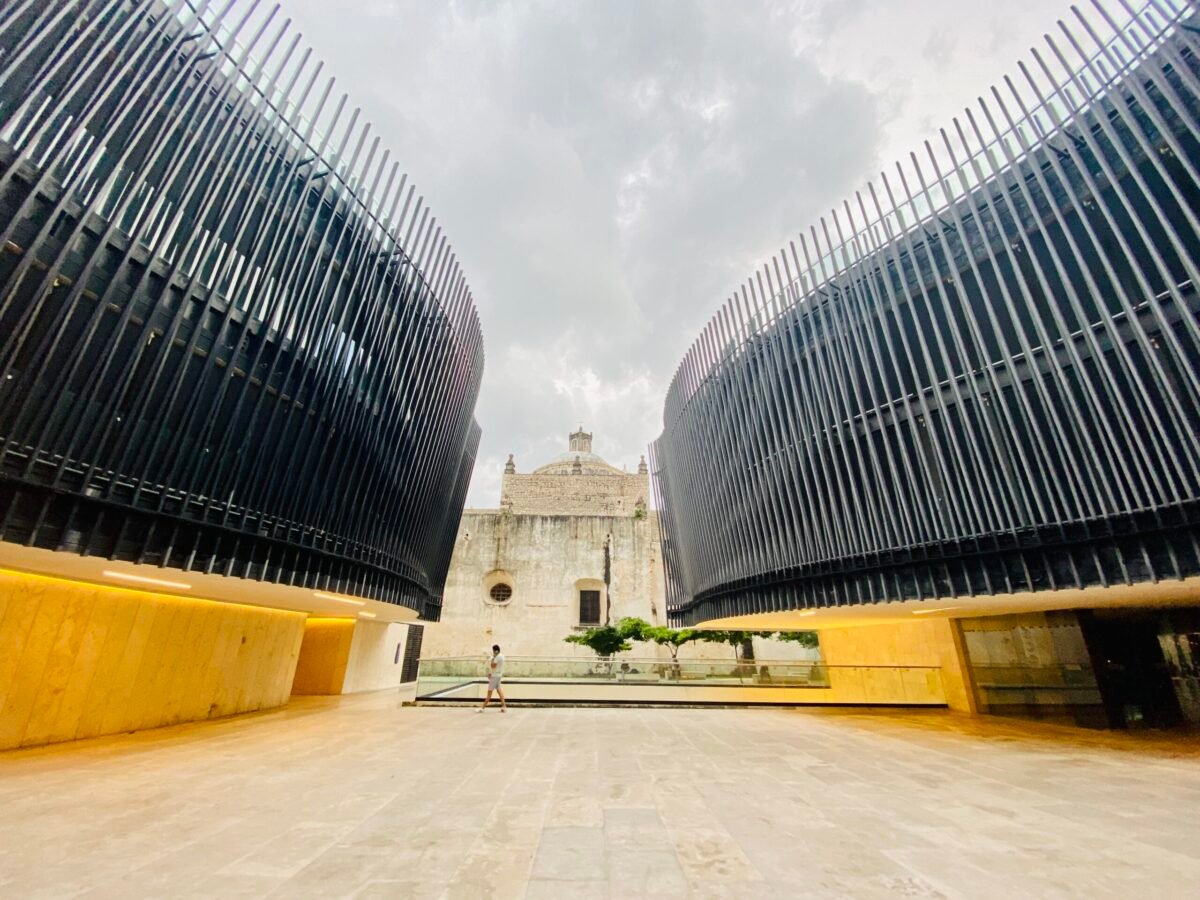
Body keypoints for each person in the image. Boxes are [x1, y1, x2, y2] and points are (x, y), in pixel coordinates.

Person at [477, 644, 506, 713]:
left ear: (495, 651)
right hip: (498, 675)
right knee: (499, 691)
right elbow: (496, 667)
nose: (492, 652)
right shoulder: (502, 656)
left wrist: (493, 659)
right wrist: (491, 673)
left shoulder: (497, 657)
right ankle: (504, 706)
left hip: (495, 677)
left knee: (489, 693)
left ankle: (482, 708)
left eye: (493, 651)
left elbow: (493, 666)